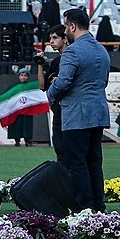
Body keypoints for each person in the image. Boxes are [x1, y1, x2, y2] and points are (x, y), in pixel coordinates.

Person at [47, 8, 111, 212]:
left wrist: (51, 92)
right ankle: (98, 206)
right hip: (98, 112)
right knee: (94, 162)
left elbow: (63, 82)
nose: (65, 30)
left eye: (66, 26)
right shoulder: (101, 49)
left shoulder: (72, 51)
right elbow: (104, 81)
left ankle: (84, 208)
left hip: (76, 114)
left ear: (72, 26)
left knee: (76, 163)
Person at [38, 25, 66, 158]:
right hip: (58, 108)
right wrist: (39, 64)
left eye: (55, 38)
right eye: (50, 38)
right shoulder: (56, 62)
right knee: (59, 147)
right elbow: (42, 85)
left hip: (69, 109)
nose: (52, 42)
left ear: (65, 38)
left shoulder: (72, 58)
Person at [7, 65, 35, 145]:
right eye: (22, 75)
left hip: (27, 110)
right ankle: (17, 140)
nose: (23, 77)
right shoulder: (14, 86)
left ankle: (28, 140)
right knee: (16, 124)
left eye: (25, 75)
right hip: (17, 110)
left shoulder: (30, 87)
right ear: (19, 76)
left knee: (27, 125)